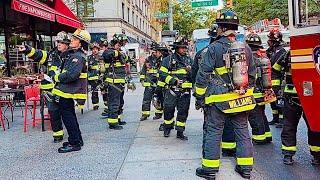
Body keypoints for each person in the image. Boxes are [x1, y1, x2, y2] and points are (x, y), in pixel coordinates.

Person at [194, 10, 256, 179]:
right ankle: (246, 168)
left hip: (219, 101)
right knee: (243, 132)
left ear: (220, 28)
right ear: (235, 28)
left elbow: (202, 75)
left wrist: (199, 96)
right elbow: (252, 76)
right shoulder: (246, 48)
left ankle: (210, 169)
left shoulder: (213, 48)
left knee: (214, 132)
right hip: (241, 99)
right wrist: (243, 90)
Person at [19, 31, 70, 143]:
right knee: (53, 111)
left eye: (62, 42)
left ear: (67, 44)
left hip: (64, 90)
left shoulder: (71, 56)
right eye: (58, 42)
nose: (59, 44)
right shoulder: (52, 55)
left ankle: (72, 134)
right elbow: (39, 54)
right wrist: (27, 49)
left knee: (67, 112)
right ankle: (58, 134)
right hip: (50, 90)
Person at [280, 52, 320, 165]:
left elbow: (277, 69)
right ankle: (317, 155)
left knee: (289, 125)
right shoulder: (315, 51)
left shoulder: (289, 54)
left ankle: (288, 155)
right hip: (310, 95)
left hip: (292, 95)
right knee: (313, 125)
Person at [159, 37, 193, 140]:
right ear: (177, 48)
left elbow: (194, 76)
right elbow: (162, 74)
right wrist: (174, 81)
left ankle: (180, 132)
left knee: (183, 112)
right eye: (182, 48)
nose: (184, 50)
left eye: (185, 48)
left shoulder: (189, 60)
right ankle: (167, 128)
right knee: (168, 109)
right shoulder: (167, 60)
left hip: (185, 92)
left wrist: (190, 71)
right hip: (172, 90)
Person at [246, 33, 275, 144]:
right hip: (263, 92)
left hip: (253, 93)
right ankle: (267, 135)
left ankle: (259, 139)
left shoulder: (248, 58)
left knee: (254, 116)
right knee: (262, 114)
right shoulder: (262, 57)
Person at [102, 35, 126, 130]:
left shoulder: (121, 52)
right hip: (113, 82)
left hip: (120, 82)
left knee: (120, 102)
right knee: (114, 103)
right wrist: (117, 53)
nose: (120, 46)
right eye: (118, 45)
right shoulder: (108, 51)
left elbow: (125, 58)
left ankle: (118, 119)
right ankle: (112, 123)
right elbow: (107, 55)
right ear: (114, 44)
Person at [266, 29, 287, 128]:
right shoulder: (270, 51)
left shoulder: (281, 51)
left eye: (270, 40)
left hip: (278, 79)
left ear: (275, 41)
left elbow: (275, 66)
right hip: (270, 78)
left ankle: (282, 119)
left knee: (279, 99)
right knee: (272, 100)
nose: (268, 41)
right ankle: (275, 118)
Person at [139, 44, 165, 121]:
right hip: (149, 82)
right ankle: (145, 114)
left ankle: (158, 113)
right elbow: (143, 70)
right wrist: (142, 79)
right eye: (153, 51)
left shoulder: (163, 60)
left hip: (158, 83)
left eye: (155, 51)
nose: (153, 52)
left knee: (159, 98)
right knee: (146, 98)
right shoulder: (148, 59)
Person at [87, 42, 101, 110]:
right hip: (93, 77)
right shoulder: (89, 58)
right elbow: (86, 68)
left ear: (98, 50)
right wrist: (88, 66)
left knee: (104, 90)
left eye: (96, 49)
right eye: (93, 49)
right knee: (94, 91)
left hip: (102, 76)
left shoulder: (102, 57)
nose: (95, 50)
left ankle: (106, 102)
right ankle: (95, 104)